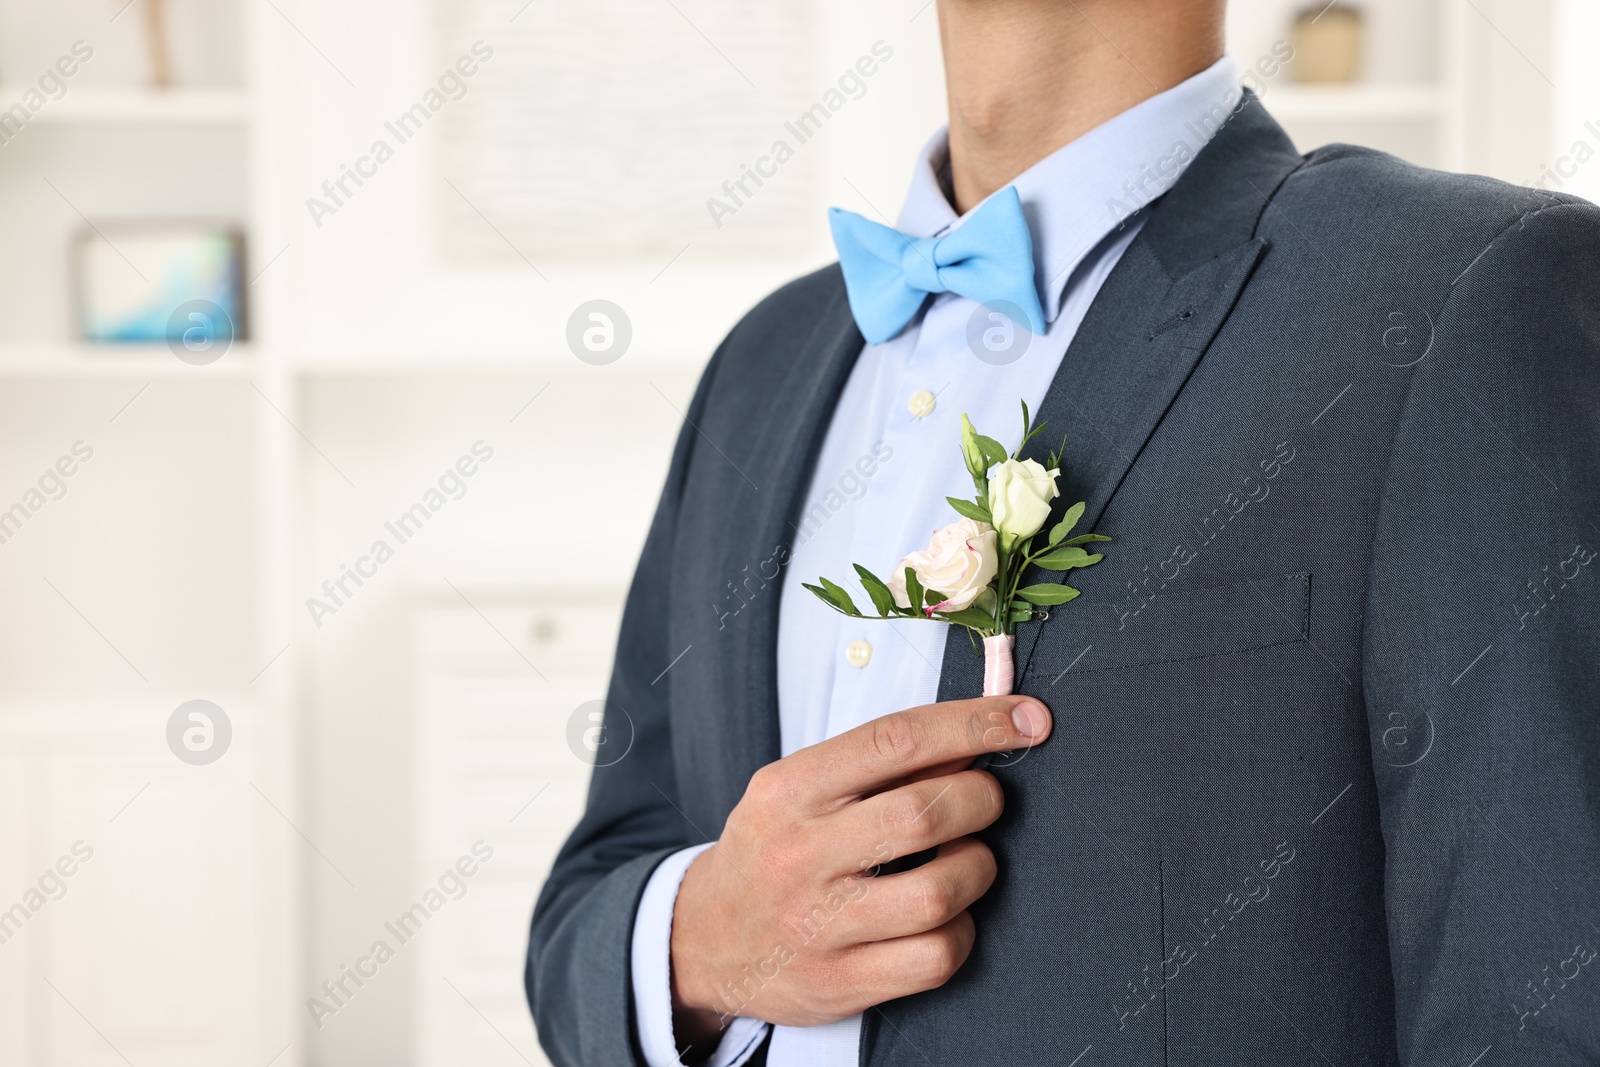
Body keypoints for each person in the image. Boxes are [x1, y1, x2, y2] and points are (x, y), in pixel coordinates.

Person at [526, 0, 1600, 1064]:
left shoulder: (1462, 294)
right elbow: (587, 901)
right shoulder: (757, 367)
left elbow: (1544, 1003)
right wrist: (693, 942)